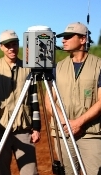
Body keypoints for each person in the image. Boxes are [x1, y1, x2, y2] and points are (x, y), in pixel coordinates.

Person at [45, 22, 101, 175]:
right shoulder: (57, 68)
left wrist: (79, 123)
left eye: (68, 37)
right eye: (63, 37)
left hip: (91, 133)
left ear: (83, 39)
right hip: (63, 133)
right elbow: (49, 100)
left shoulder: (99, 66)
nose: (63, 40)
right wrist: (65, 122)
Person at [0, 30, 41, 175]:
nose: (12, 48)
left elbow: (34, 98)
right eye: (7, 45)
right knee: (2, 171)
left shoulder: (28, 68)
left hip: (23, 128)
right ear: (1, 47)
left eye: (14, 44)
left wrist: (36, 127)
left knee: (30, 172)